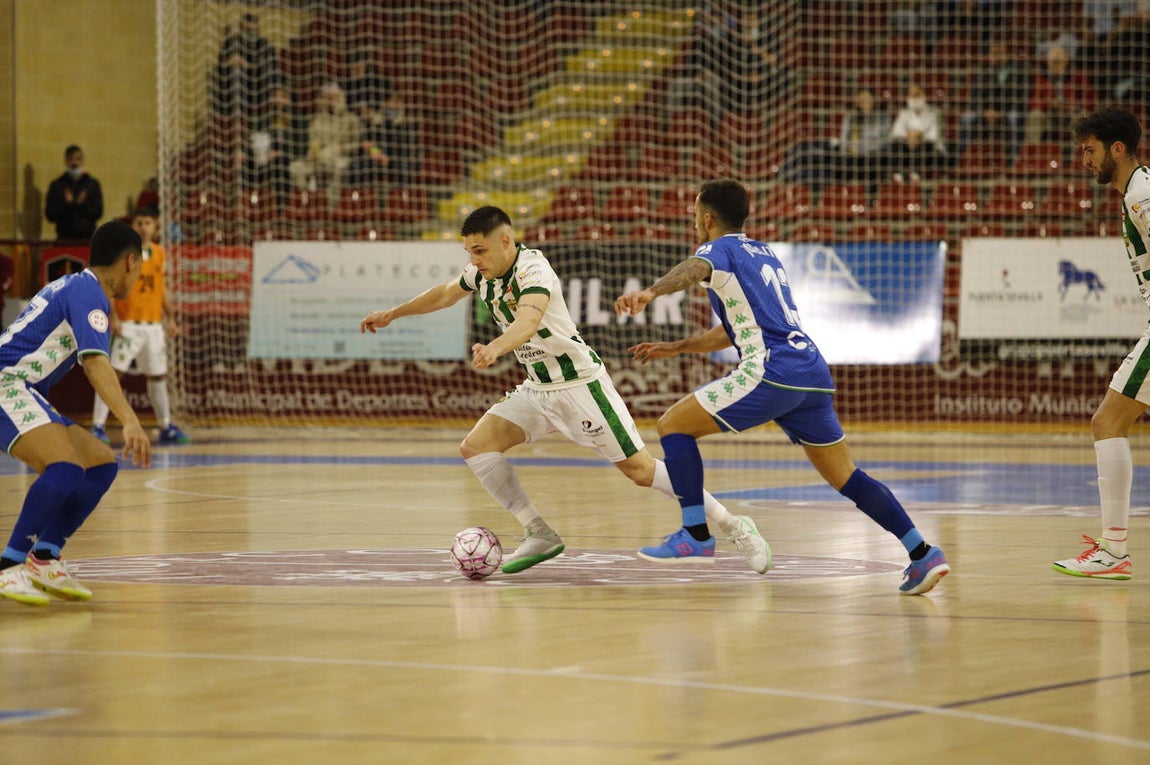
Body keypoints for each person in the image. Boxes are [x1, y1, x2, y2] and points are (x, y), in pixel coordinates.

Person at [359, 206, 770, 575]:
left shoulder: (534, 270)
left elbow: (530, 318)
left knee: (641, 471)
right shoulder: (481, 273)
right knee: (476, 446)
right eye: (469, 252)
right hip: (537, 388)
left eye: (480, 250)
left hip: (579, 387)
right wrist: (394, 313)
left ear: (506, 241)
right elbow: (446, 293)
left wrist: (497, 347)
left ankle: (735, 525)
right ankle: (539, 532)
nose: (474, 260)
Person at [614, 179, 950, 595]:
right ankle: (922, 553)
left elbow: (695, 268)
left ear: (707, 218)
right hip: (811, 371)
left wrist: (651, 291)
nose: (693, 224)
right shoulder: (764, 252)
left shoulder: (716, 250)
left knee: (672, 426)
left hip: (773, 370)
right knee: (846, 477)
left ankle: (695, 533)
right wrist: (679, 347)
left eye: (694, 216)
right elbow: (734, 329)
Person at [0, 220, 152, 606]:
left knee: (100, 463)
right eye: (139, 269)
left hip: (24, 388)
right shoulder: (89, 292)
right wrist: (131, 420)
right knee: (65, 468)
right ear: (130, 262)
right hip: (6, 384)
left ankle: (45, 556)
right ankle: (8, 565)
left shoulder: (77, 285)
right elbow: (95, 363)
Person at [1052, 107, 1146, 580]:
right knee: (1109, 420)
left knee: (1108, 420)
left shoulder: (1142, 195)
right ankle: (1113, 550)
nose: (1082, 159)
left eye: (1089, 150)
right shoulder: (1137, 190)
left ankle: (1114, 550)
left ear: (1116, 149)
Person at [90, 208, 190, 447]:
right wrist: (113, 316)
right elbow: (111, 284)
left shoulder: (159, 253)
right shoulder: (123, 254)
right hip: (128, 326)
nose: (144, 227)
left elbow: (161, 288)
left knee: (158, 376)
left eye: (148, 223)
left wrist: (172, 318)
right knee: (112, 374)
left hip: (154, 326)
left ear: (155, 226)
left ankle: (166, 426)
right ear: (133, 226)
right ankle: (98, 426)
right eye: (139, 223)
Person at [958, 41, 1029, 160]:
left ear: (1007, 55)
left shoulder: (1018, 72)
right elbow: (975, 98)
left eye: (1000, 53)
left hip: (1008, 112)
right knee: (966, 118)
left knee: (1015, 117)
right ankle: (963, 157)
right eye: (994, 53)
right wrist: (984, 112)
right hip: (985, 113)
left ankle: (1016, 158)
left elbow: (1020, 98)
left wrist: (1001, 113)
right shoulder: (983, 73)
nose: (997, 56)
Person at [289, 81, 362, 199]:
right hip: (318, 159)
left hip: (340, 158)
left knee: (338, 167)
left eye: (333, 97)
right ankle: (305, 202)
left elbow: (357, 144)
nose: (330, 101)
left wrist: (343, 149)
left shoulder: (351, 119)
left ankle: (333, 207)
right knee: (296, 168)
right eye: (327, 98)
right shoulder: (318, 120)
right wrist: (312, 153)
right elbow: (313, 143)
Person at [1025, 43, 1096, 145]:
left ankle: (1078, 154)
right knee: (1035, 115)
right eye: (1053, 62)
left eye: (1058, 62)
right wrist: (1048, 103)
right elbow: (1033, 102)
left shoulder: (1078, 76)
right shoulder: (1041, 78)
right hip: (1049, 114)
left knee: (1081, 117)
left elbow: (1091, 101)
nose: (1055, 65)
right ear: (1048, 62)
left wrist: (1073, 106)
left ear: (1067, 61)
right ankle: (1033, 151)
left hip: (1071, 113)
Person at [885, 83, 950, 182]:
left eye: (917, 95)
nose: (914, 98)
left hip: (930, 151)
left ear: (923, 95)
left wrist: (918, 135)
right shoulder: (904, 113)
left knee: (926, 145)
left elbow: (934, 135)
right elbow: (896, 132)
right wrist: (909, 135)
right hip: (908, 148)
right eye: (911, 95)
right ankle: (898, 176)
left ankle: (916, 175)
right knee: (896, 145)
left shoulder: (934, 112)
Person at [44, 145, 104, 243]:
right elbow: (50, 214)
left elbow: (98, 212)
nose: (74, 163)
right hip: (64, 238)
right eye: (71, 159)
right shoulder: (57, 185)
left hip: (86, 238)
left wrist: (82, 204)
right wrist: (67, 204)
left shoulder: (92, 184)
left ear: (83, 160)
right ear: (66, 161)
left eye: (78, 159)